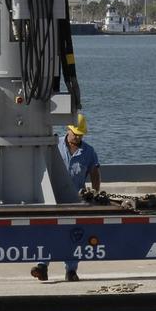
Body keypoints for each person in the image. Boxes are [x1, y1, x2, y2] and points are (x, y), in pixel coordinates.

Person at [31, 113, 101, 283]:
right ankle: (42, 266)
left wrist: (96, 194)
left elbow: (94, 174)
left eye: (81, 134)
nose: (78, 137)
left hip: (76, 200)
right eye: (75, 133)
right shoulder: (54, 146)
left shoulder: (88, 152)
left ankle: (71, 270)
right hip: (53, 198)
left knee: (73, 236)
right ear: (68, 129)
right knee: (47, 232)